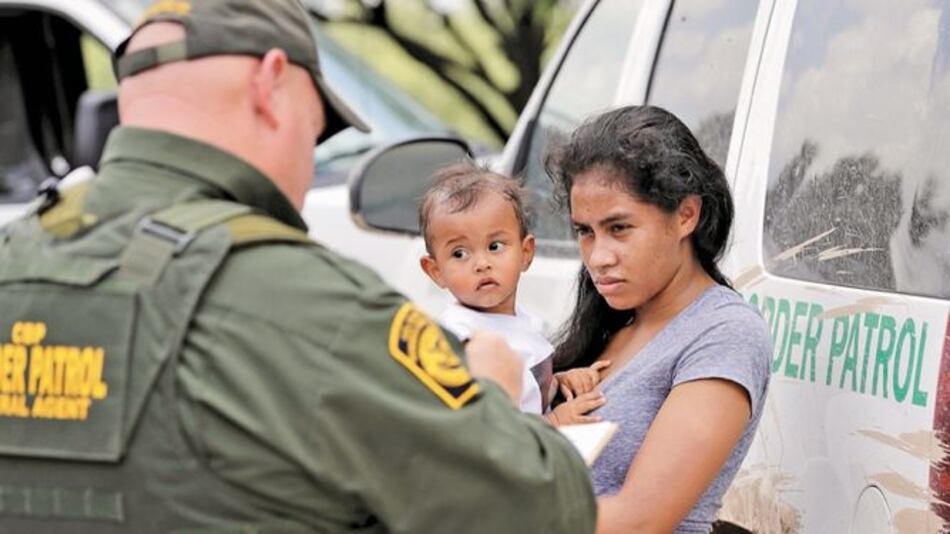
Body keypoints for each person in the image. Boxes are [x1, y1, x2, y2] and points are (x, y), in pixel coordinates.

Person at [0, 1, 596, 532]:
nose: (307, 169)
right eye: (315, 134)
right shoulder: (305, 300)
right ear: (271, 83)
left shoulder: (14, 260)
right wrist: (492, 392)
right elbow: (542, 507)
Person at [544, 105, 772, 533]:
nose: (598, 257)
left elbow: (642, 520)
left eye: (620, 228)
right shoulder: (611, 324)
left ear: (686, 215)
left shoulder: (724, 333)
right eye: (585, 232)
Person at [418, 163, 610, 424]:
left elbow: (526, 391)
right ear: (435, 271)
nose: (481, 263)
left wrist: (559, 381)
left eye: (495, 246)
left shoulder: (524, 322)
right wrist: (554, 422)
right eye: (459, 253)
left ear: (526, 253)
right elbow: (488, 428)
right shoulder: (462, 339)